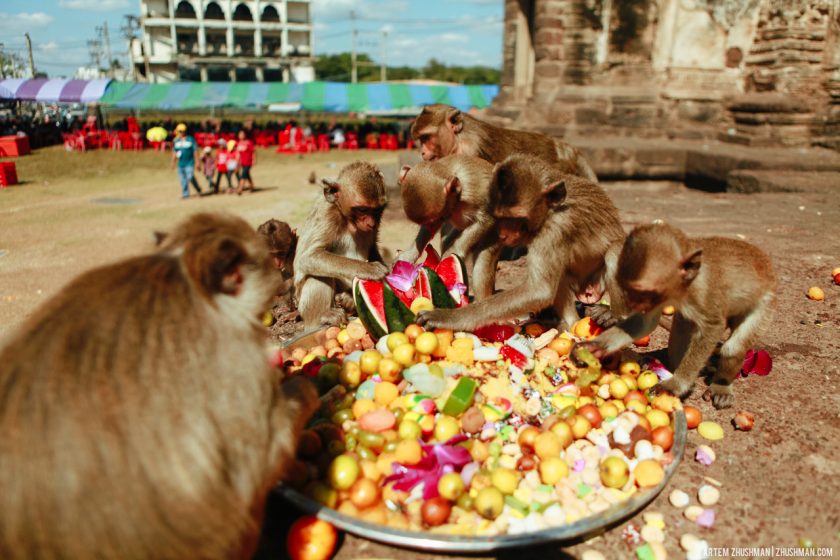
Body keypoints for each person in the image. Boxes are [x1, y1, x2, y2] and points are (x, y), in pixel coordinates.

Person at [171, 123, 202, 199]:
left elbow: (195, 151)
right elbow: (175, 152)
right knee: (183, 180)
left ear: (182, 131)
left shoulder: (190, 139)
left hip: (189, 163)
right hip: (181, 164)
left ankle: (198, 188)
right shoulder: (176, 141)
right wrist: (173, 162)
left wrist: (197, 162)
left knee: (190, 177)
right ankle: (185, 194)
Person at [234, 130, 256, 195]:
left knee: (243, 175)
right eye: (240, 134)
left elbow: (253, 151)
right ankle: (252, 187)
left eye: (242, 134)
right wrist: (237, 163)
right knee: (247, 175)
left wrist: (254, 160)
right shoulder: (238, 143)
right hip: (242, 162)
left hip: (248, 162)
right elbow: (238, 154)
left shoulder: (249, 142)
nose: (241, 136)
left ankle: (240, 189)